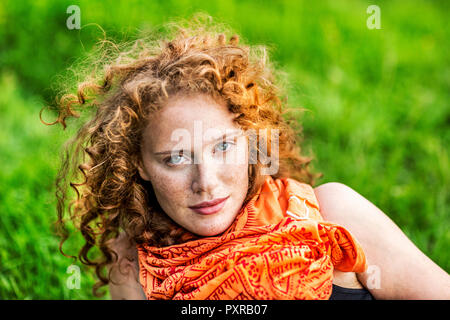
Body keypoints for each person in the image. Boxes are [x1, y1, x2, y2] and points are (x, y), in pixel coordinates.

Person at [44, 15, 450, 300]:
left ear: (253, 143)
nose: (207, 183)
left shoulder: (332, 213)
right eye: (175, 159)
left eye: (223, 147)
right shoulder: (133, 261)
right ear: (140, 167)